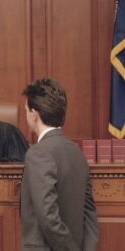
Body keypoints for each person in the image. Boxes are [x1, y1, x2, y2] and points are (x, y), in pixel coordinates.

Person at [20, 79, 99, 251]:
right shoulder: (76, 152)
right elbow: (90, 214)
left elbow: (48, 217)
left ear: (34, 114)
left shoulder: (38, 153)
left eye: (26, 111)